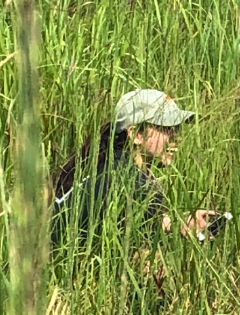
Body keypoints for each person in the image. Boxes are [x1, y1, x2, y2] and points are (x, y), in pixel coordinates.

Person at [52, 89, 216, 281]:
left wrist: (180, 224)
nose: (176, 137)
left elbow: (127, 222)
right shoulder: (134, 184)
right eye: (167, 128)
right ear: (136, 134)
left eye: (178, 129)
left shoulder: (107, 166)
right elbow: (150, 273)